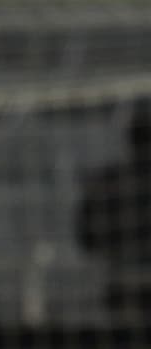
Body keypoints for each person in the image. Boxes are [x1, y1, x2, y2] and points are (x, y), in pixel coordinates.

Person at [77, 97, 151, 320]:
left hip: (122, 285)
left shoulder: (107, 184)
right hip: (124, 285)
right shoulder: (107, 184)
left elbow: (86, 239)